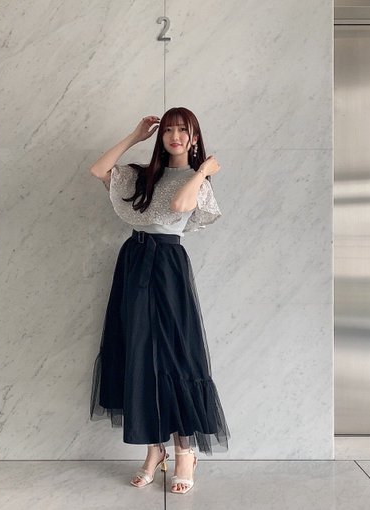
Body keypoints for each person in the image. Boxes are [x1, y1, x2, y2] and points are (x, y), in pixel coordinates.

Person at [89, 107, 229, 495]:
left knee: (176, 355)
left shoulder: (197, 179)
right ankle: (155, 449)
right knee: (137, 352)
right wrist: (135, 136)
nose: (174, 136)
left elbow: (181, 206)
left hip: (167, 265)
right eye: (168, 130)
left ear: (194, 137)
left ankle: (185, 451)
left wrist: (202, 171)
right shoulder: (142, 176)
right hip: (134, 262)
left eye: (183, 130)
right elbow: (99, 170)